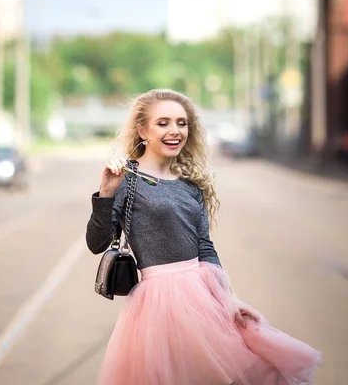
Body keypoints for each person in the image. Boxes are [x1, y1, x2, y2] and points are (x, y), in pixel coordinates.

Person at [86, 89, 322, 385]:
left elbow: (204, 246)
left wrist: (230, 300)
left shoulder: (191, 186)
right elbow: (96, 243)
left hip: (203, 295)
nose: (175, 131)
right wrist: (107, 192)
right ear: (142, 130)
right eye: (163, 123)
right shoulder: (126, 179)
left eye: (181, 123)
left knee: (251, 369)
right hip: (159, 303)